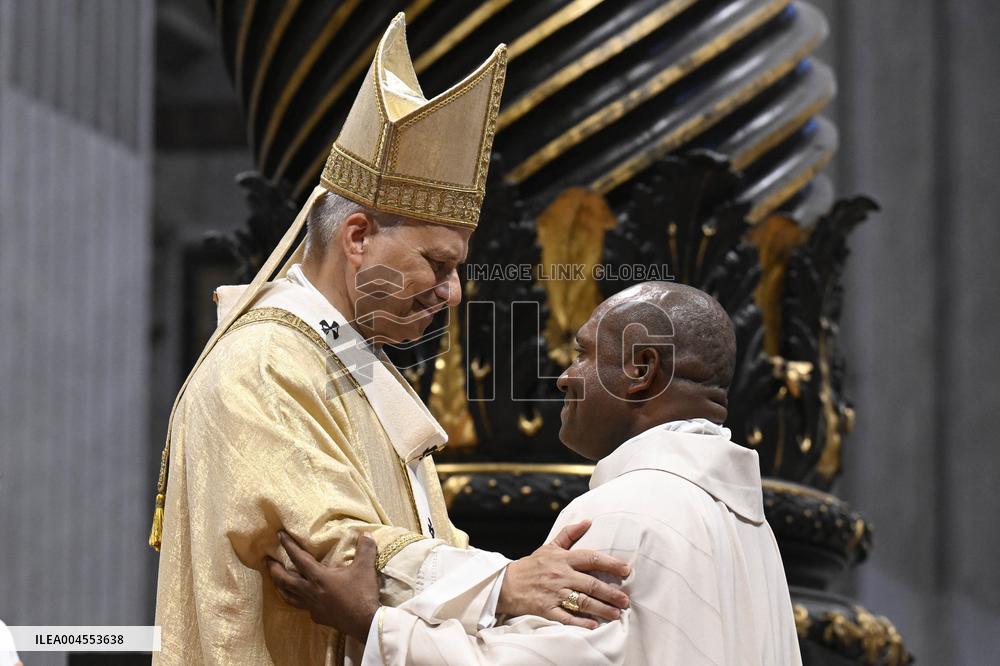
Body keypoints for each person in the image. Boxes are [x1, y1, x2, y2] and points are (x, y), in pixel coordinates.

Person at [150, 14, 628, 666]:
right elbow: (332, 551)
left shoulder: (348, 360)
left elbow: (420, 537)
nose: (453, 292)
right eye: (438, 263)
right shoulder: (263, 363)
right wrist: (502, 583)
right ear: (357, 238)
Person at [268, 281, 804, 665]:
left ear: (641, 370)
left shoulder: (630, 510)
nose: (565, 378)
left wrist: (370, 623)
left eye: (585, 354)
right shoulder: (750, 532)